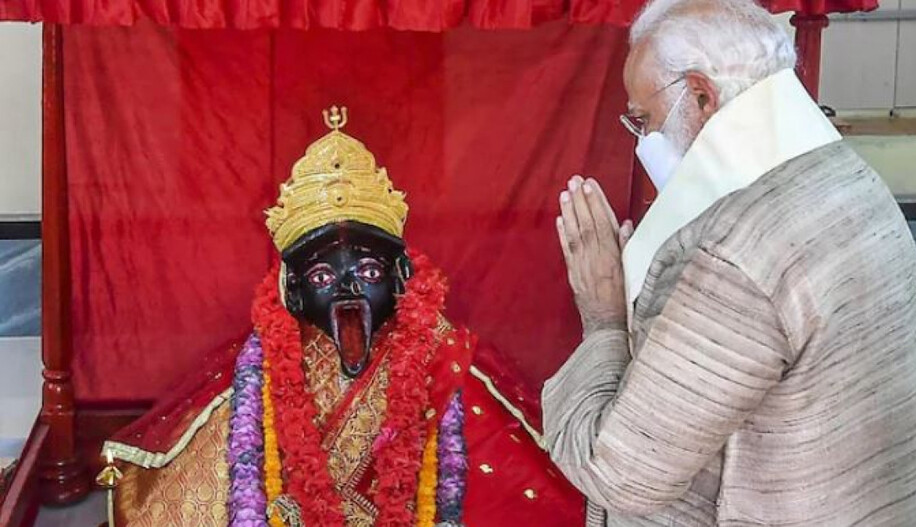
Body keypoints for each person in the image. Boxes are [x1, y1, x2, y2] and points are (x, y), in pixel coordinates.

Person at [542, 0, 916, 525]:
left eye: (646, 119)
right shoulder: (845, 174)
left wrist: (603, 316)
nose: (644, 142)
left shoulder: (739, 253)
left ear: (701, 95)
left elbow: (619, 472)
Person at [99, 107, 585, 527]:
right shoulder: (261, 368)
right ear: (291, 291)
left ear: (400, 279)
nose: (349, 287)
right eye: (323, 279)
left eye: (369, 270)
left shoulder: (446, 359)